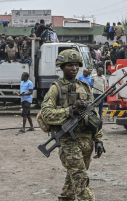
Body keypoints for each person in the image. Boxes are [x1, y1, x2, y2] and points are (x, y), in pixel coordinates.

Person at [41, 49, 104, 201]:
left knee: (73, 180)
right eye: (69, 65)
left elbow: (94, 116)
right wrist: (70, 110)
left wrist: (99, 140)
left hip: (86, 141)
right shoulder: (56, 88)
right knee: (81, 180)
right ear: (61, 67)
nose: (74, 68)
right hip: (68, 140)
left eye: (76, 65)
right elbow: (46, 113)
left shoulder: (85, 87)